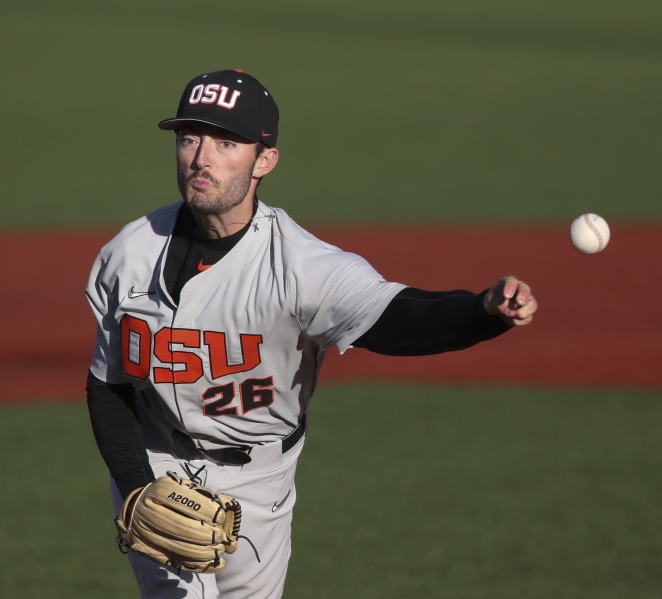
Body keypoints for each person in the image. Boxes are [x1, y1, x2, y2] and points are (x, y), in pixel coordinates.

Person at [84, 68, 538, 599]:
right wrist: (137, 487)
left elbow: (397, 315)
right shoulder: (130, 253)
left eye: (226, 142)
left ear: (265, 160)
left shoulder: (300, 267)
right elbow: (108, 384)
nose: (201, 158)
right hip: (153, 465)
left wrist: (483, 311)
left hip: (260, 485)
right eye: (190, 138)